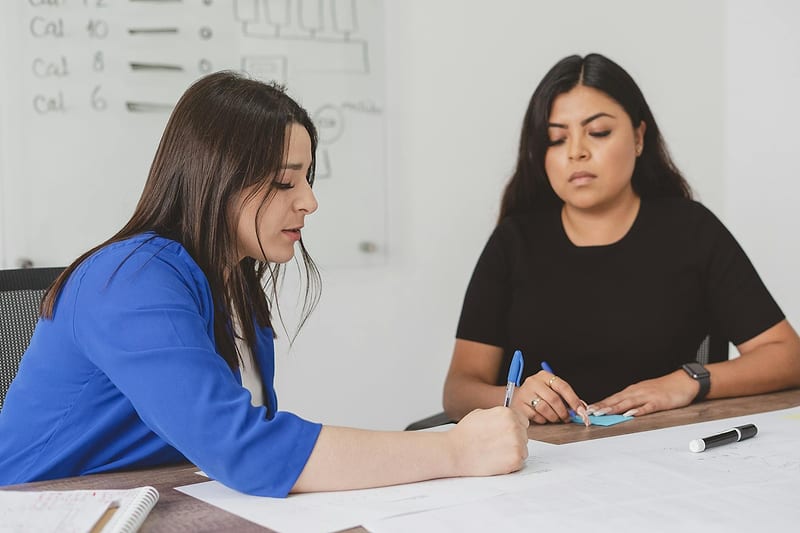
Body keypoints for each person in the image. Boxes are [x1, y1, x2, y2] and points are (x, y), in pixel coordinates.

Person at [0, 71, 529, 496]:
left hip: (150, 502)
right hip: (42, 513)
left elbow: (247, 451)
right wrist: (457, 452)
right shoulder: (130, 279)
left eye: (308, 178)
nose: (309, 201)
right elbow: (247, 450)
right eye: (284, 181)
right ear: (217, 177)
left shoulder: (236, 289)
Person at [443, 53, 800, 426]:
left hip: (668, 454)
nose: (576, 151)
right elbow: (458, 390)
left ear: (639, 137)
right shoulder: (514, 242)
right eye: (556, 138)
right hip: (543, 461)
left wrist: (687, 381)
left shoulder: (692, 231)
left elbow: (787, 356)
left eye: (597, 132)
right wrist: (512, 399)